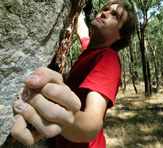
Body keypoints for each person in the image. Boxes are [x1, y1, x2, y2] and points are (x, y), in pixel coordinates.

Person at [11, 0, 136, 147]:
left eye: (115, 15)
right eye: (106, 9)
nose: (104, 13)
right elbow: (82, 31)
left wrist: (64, 120)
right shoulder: (88, 50)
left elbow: (93, 123)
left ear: (120, 35)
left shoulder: (107, 58)